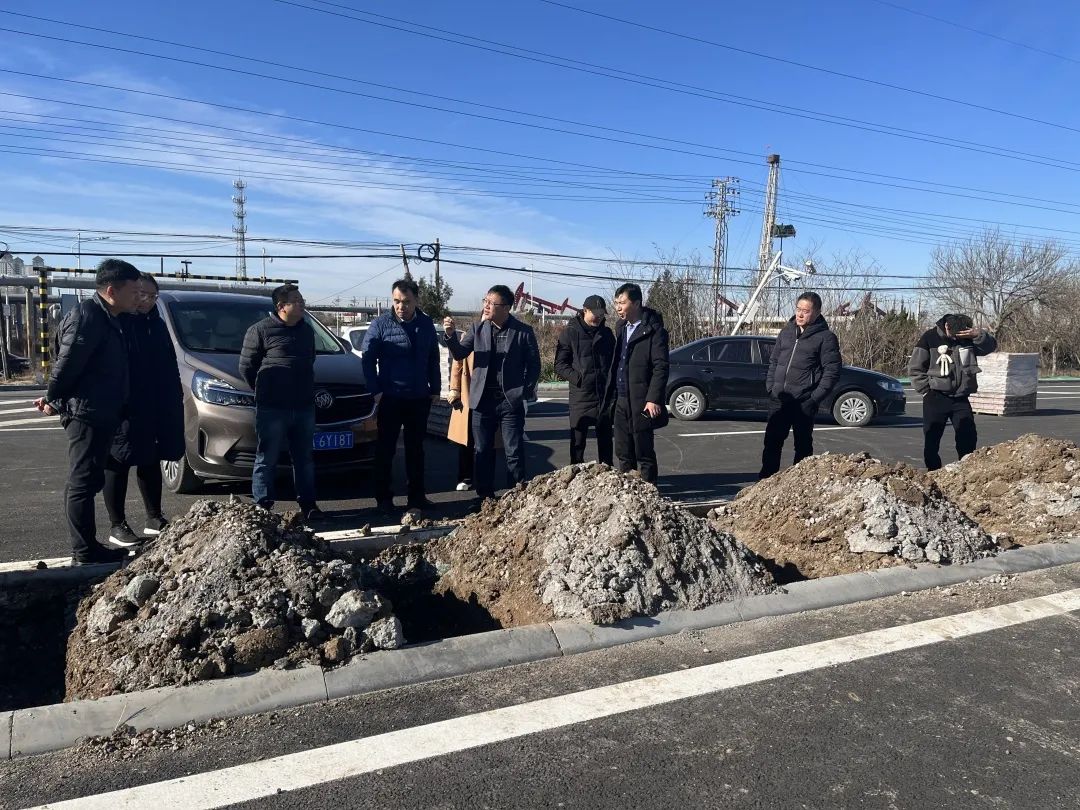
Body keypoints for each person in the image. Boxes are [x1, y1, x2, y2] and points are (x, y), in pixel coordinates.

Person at [34, 259, 142, 565]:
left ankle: (88, 548)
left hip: (101, 411)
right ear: (112, 291)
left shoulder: (110, 317)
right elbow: (66, 365)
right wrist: (53, 398)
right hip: (86, 414)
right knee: (82, 482)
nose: (138, 297)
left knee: (90, 480)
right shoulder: (88, 317)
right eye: (134, 291)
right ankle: (84, 552)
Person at [102, 273, 185, 547]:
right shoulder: (118, 322)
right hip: (123, 406)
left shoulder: (156, 324)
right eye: (141, 294)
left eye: (152, 296)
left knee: (150, 458)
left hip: (153, 404)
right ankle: (117, 525)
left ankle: (154, 518)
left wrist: (173, 397)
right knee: (119, 461)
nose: (145, 300)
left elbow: (169, 364)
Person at [442, 285, 540, 503]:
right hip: (482, 401)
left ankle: (515, 496)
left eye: (491, 303)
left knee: (513, 451)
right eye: (485, 301)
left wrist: (523, 391)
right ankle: (485, 497)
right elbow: (459, 353)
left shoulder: (523, 331)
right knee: (482, 450)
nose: (486, 306)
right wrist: (450, 336)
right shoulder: (477, 329)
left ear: (505, 307)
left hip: (510, 401)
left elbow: (534, 365)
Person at [239, 283, 322, 520]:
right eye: (296, 300)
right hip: (272, 407)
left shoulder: (306, 330)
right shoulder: (260, 330)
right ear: (281, 307)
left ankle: (308, 505)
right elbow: (246, 367)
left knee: (304, 459)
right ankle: (262, 507)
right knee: (267, 457)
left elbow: (310, 359)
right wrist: (265, 388)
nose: (302, 303)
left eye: (302, 299)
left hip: (303, 406)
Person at [361, 278, 441, 512]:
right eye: (396, 301)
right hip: (391, 397)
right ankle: (384, 499)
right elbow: (367, 360)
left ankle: (416, 497)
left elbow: (433, 358)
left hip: (418, 397)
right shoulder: (381, 324)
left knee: (416, 450)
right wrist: (375, 390)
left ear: (416, 300)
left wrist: (435, 388)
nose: (400, 306)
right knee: (386, 449)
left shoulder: (426, 323)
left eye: (406, 302)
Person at [759, 291, 842, 480]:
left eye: (806, 311)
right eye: (798, 309)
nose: (800, 314)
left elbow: (832, 371)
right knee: (772, 442)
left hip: (804, 401)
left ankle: (800, 483)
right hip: (780, 399)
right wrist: (771, 386)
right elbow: (774, 361)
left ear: (817, 312)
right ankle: (765, 482)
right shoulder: (786, 332)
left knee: (803, 446)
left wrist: (814, 398)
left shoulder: (826, 337)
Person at [908, 313, 997, 470]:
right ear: (946, 326)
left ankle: (965, 468)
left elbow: (990, 347)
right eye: (954, 334)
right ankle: (933, 470)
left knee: (968, 435)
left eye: (959, 334)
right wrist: (925, 389)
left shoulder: (967, 338)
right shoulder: (929, 337)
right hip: (936, 396)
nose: (956, 337)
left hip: (960, 397)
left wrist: (978, 335)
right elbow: (915, 367)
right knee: (932, 438)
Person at [601, 283, 669, 484]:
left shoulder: (654, 331)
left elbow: (660, 367)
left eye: (622, 303)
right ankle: (628, 492)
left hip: (642, 401)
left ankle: (649, 491)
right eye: (616, 303)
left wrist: (653, 399)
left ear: (637, 303)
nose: (618, 307)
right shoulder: (621, 328)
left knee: (643, 451)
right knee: (623, 450)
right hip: (621, 399)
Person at [555, 294, 615, 466]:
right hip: (581, 396)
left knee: (606, 442)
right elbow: (560, 364)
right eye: (595, 314)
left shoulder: (607, 334)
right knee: (577, 443)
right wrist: (579, 379)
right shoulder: (570, 332)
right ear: (585, 310)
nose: (598, 317)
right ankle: (575, 474)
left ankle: (607, 474)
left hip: (603, 395)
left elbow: (614, 362)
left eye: (602, 314)